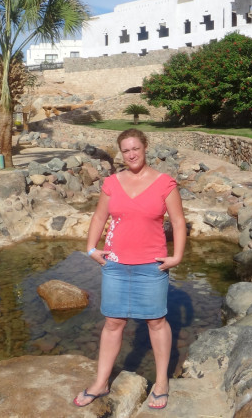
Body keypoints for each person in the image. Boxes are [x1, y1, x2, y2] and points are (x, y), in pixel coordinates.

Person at [74, 128, 187, 411]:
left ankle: (161, 382)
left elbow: (178, 221)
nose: (131, 154)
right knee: (113, 323)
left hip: (151, 266)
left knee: (156, 322)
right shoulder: (112, 182)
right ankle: (101, 382)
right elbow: (99, 217)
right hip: (115, 265)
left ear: (145, 147)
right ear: (121, 154)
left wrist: (177, 256)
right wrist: (91, 249)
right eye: (126, 150)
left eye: (135, 148)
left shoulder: (164, 183)